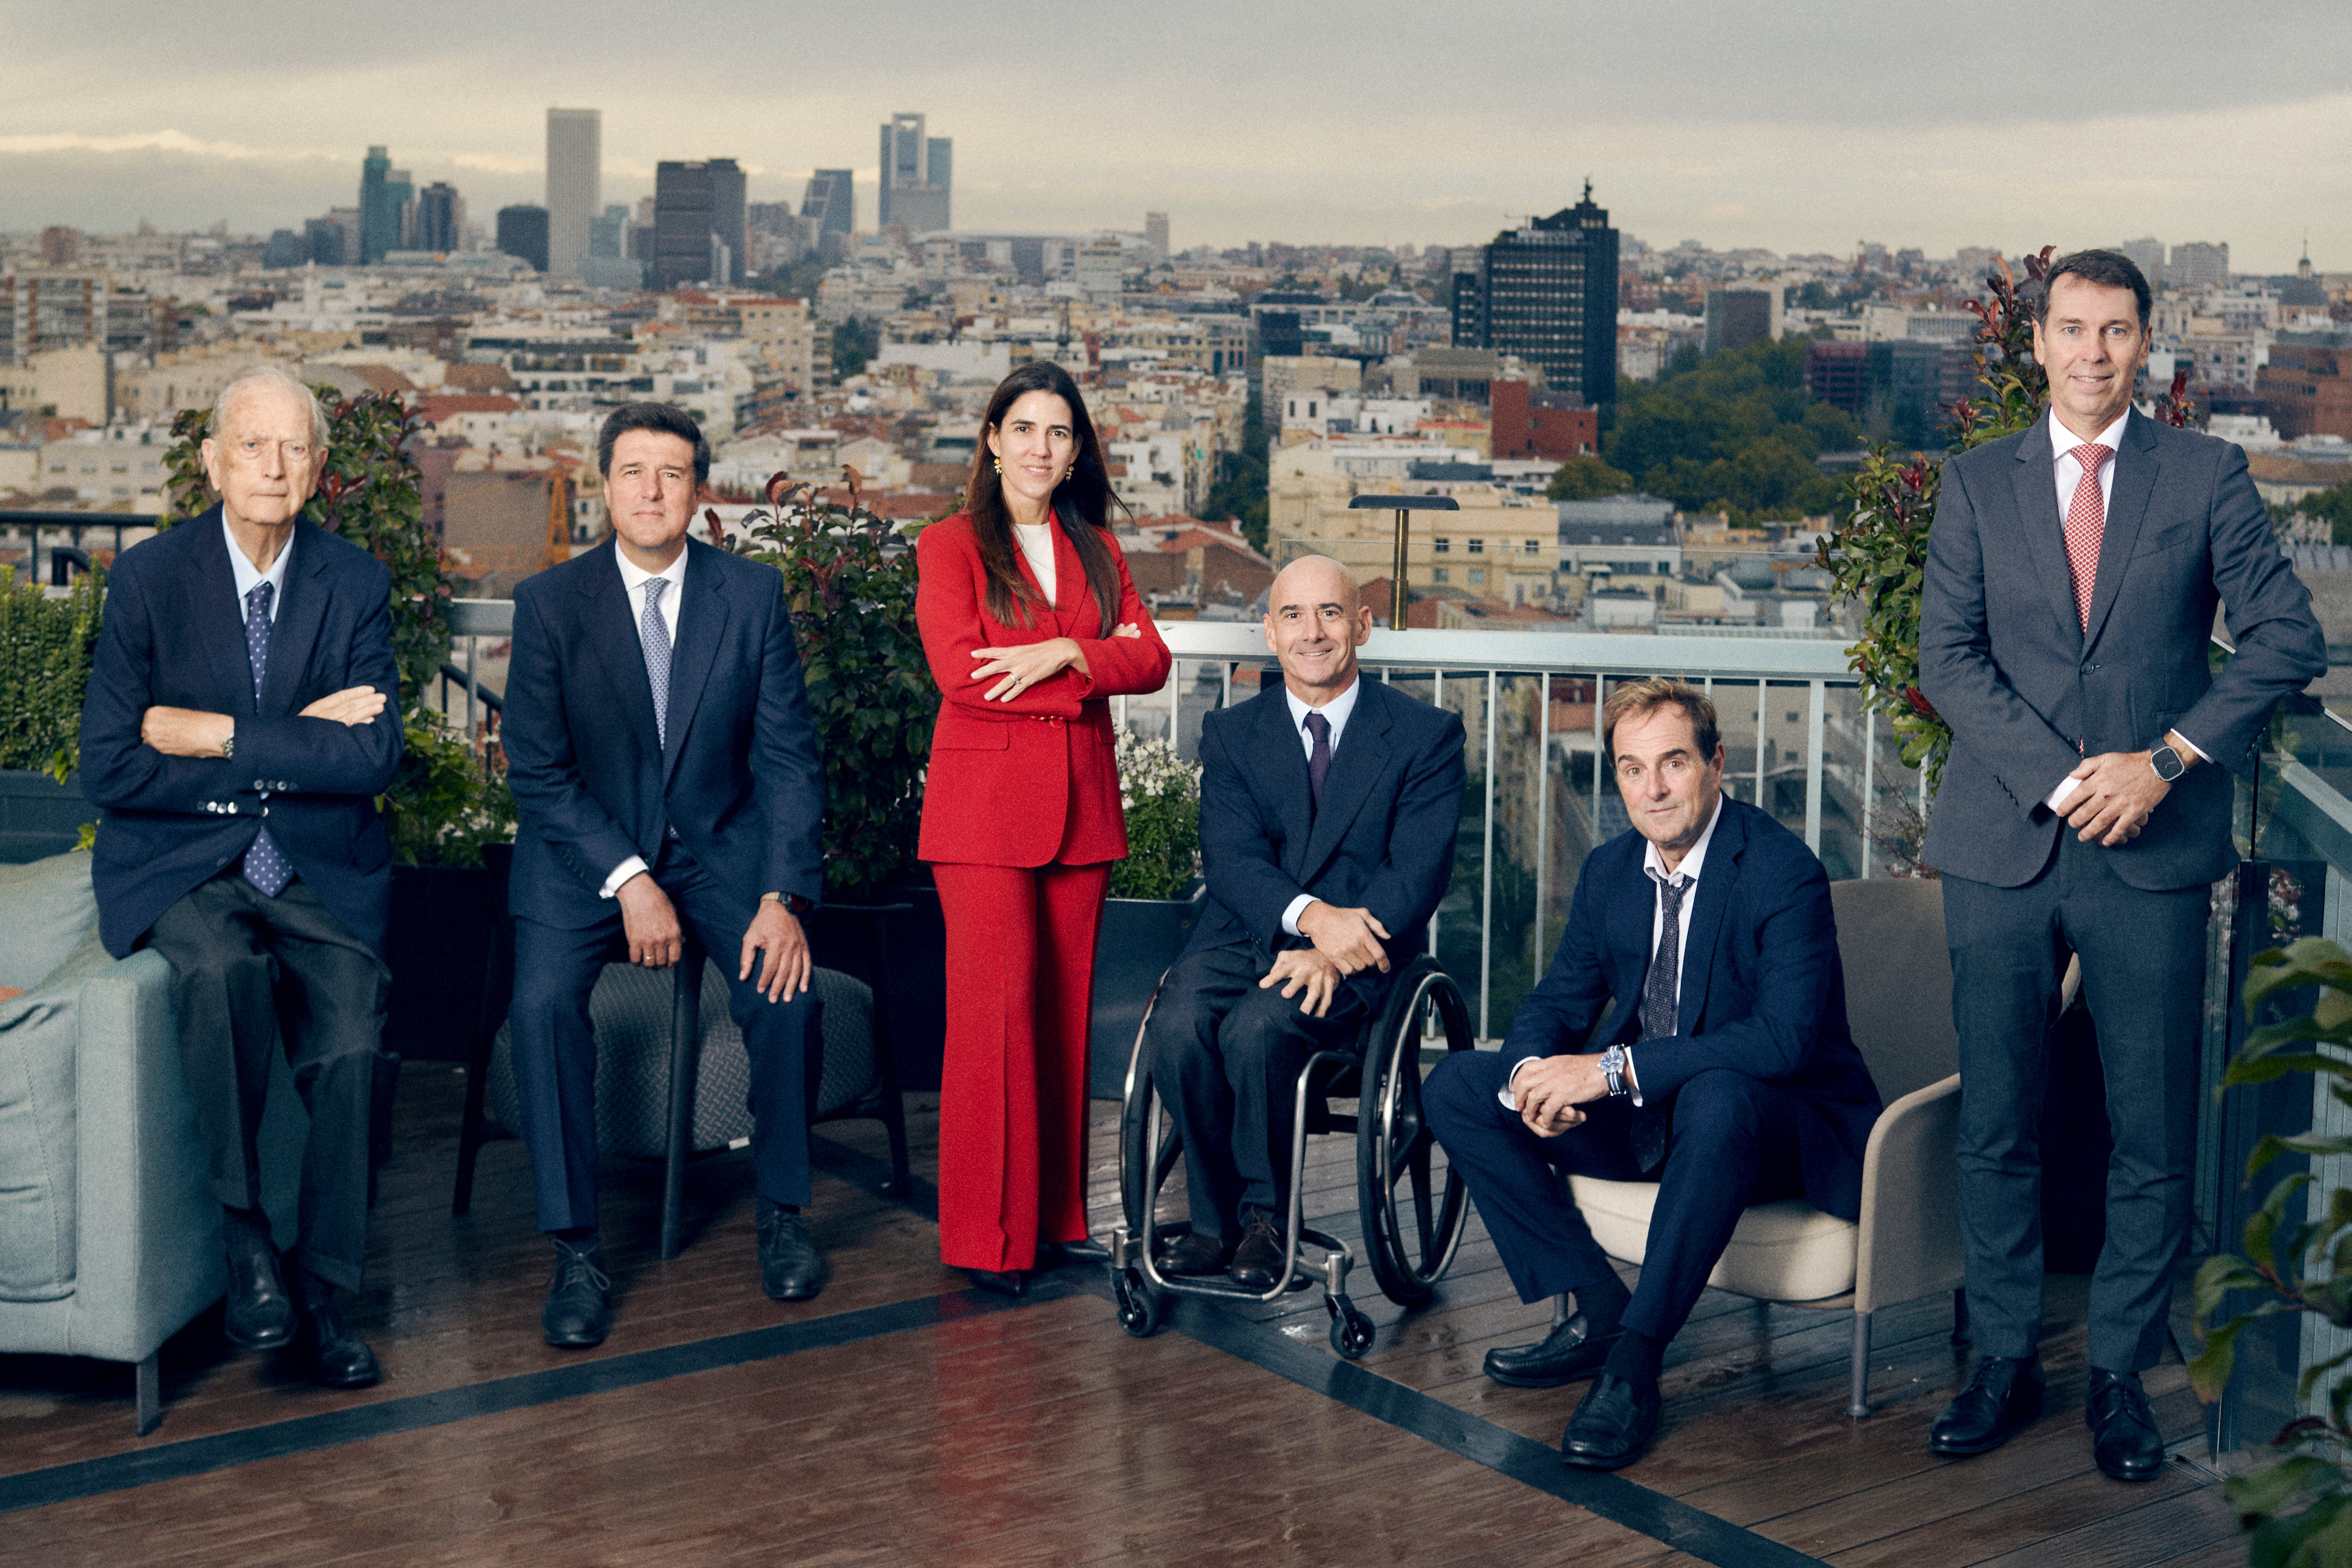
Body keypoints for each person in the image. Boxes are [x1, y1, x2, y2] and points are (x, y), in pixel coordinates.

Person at [1917, 249, 2326, 1481]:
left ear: (2148, 346)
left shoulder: (2206, 474)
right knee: (1997, 1120)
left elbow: (2286, 636)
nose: (2093, 352)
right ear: (2036, 344)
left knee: (2152, 1133)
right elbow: (1948, 655)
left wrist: (2166, 758)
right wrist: (2061, 775)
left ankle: (2117, 1376)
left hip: (2154, 850)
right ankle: (2000, 1359)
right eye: (2072, 329)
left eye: (2117, 332)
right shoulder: (1977, 482)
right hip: (2004, 840)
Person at [1422, 679, 1880, 1470]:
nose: (1653, 788)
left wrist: (1610, 1068)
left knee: (1719, 1092)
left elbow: (1781, 1042)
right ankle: (1600, 1308)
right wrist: (1533, 1073)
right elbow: (1560, 998)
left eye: (1673, 762)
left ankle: (1634, 1365)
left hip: (1780, 1129)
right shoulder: (1611, 871)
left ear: (1716, 764)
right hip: (1653, 1115)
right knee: (1460, 1085)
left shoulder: (1780, 870)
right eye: (1632, 769)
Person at [78, 365, 404, 1389]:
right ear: (211, 462)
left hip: (316, 867)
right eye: (251, 445)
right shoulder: (149, 580)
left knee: (353, 1038)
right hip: (183, 858)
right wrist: (292, 743)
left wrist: (216, 734)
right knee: (220, 974)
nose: (273, 466)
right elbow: (112, 763)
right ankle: (244, 1231)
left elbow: (370, 759)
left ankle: (322, 1287)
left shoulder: (354, 583)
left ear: (319, 467)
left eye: (294, 447)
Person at [502, 402, 827, 1348]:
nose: (651, 489)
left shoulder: (750, 595)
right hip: (584, 859)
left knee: (787, 991)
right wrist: (629, 876)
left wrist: (781, 897)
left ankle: (783, 1213)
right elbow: (539, 772)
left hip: (723, 848)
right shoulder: (550, 606)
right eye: (633, 470)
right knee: (542, 1005)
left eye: (672, 471)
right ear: (605, 485)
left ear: (698, 489)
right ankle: (576, 1246)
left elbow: (788, 763)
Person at [914, 361, 1171, 1297]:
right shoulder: (948, 545)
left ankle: (1054, 1219)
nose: (1040, 448)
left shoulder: (1098, 547)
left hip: (1080, 810)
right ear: (991, 438)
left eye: (1058, 434)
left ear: (1076, 453)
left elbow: (1153, 659)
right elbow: (960, 672)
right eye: (1023, 428)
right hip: (984, 817)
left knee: (1061, 1022)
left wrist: (1067, 649)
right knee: (993, 1020)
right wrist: (1092, 670)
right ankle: (987, 1236)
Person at [1147, 554, 1464, 1291]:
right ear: (1269, 632)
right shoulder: (1232, 732)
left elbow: (1417, 872)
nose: (1312, 632)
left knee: (1260, 1028)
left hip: (1363, 949)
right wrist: (1312, 919)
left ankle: (1265, 1220)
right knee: (1177, 1022)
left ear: (1362, 625)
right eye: (1293, 615)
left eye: (1330, 614)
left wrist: (1336, 946)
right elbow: (1230, 860)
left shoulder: (1424, 734)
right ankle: (1211, 1221)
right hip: (1246, 934)